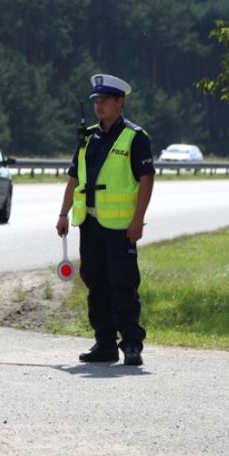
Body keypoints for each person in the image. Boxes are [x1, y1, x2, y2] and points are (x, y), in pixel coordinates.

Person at [55, 74, 155, 366]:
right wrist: (63, 213)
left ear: (119, 102)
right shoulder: (87, 137)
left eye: (104, 101)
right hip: (90, 223)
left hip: (121, 226)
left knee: (123, 283)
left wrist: (138, 220)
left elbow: (146, 179)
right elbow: (74, 178)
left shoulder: (135, 137)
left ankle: (132, 343)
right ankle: (105, 343)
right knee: (95, 281)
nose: (99, 106)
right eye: (96, 101)